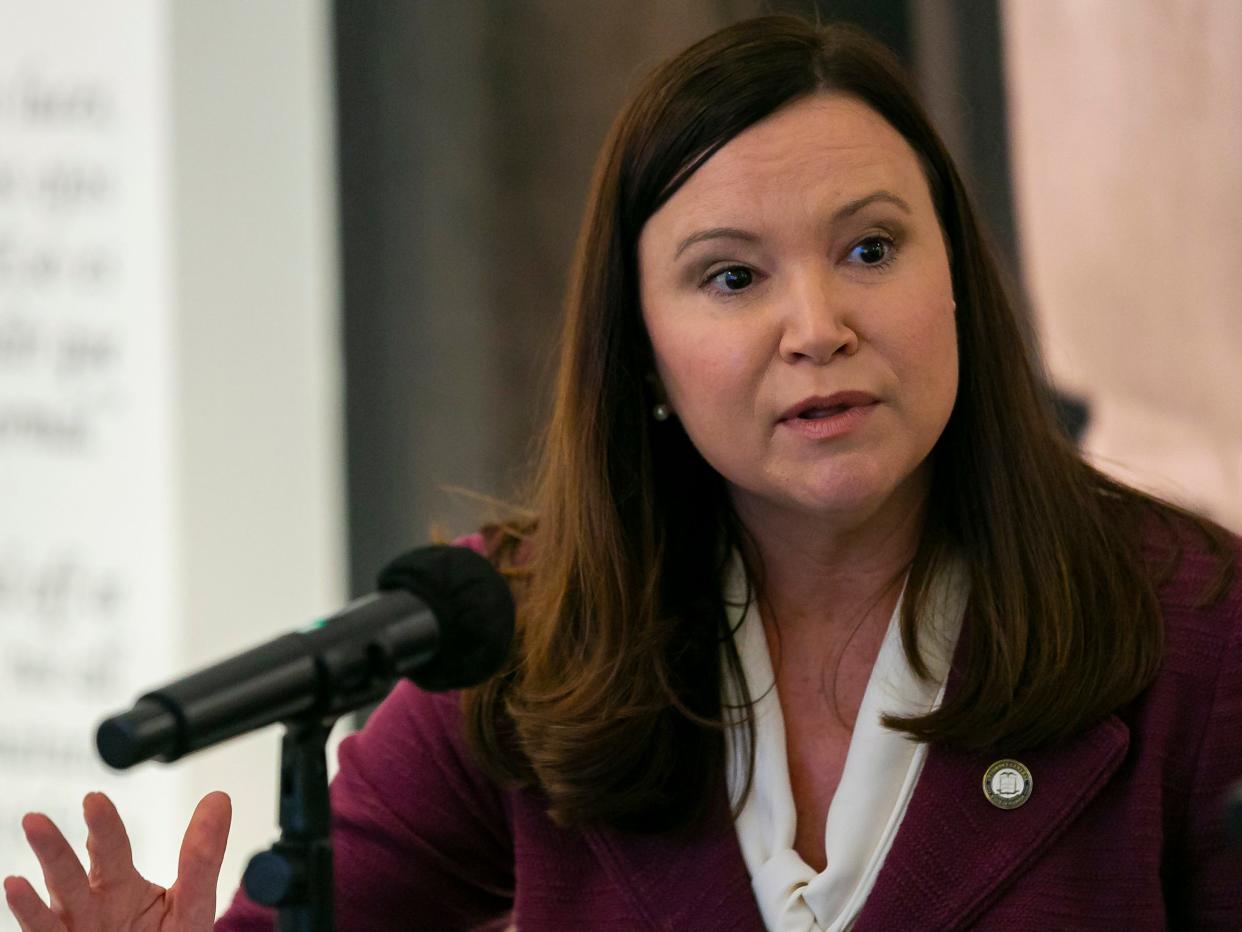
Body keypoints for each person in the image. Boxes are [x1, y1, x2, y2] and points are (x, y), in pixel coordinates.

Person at [6, 14, 1242, 931]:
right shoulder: (520, 630)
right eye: (732, 276)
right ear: (640, 347)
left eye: (871, 248)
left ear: (959, 281)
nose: (817, 323)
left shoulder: (1189, 624)